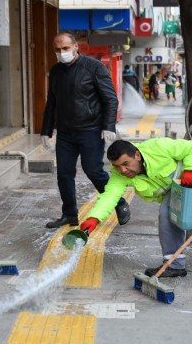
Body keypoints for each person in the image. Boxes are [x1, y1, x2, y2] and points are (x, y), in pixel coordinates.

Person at [79, 139, 192, 277]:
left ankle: (175, 265)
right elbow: (110, 196)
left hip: (184, 182)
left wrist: (191, 170)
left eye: (126, 163)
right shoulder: (119, 175)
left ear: (137, 155)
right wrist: (94, 218)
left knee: (168, 214)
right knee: (188, 219)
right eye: (117, 166)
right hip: (169, 193)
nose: (123, 170)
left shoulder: (158, 147)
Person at [40, 33, 130, 229]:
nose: (62, 53)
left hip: (91, 130)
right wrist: (46, 130)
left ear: (75, 47)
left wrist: (108, 126)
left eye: (65, 48)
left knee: (93, 170)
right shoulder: (56, 71)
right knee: (64, 173)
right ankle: (69, 214)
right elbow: (52, 102)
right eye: (57, 49)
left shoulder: (94, 67)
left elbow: (110, 98)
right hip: (65, 132)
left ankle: (119, 203)